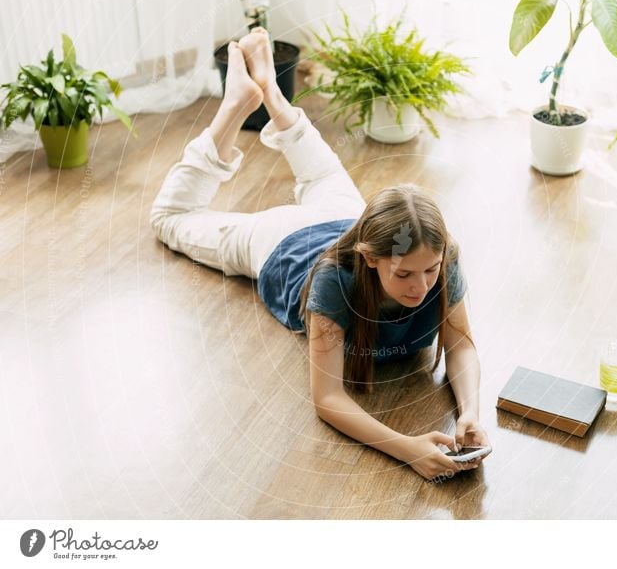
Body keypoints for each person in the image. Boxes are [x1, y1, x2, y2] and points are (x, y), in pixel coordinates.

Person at [150, 28, 490, 481]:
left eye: (430, 270)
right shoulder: (335, 282)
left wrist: (470, 412)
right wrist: (406, 448)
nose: (422, 285)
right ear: (371, 259)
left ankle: (269, 88)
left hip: (345, 216)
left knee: (321, 171)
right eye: (405, 274)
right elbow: (328, 399)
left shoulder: (436, 258)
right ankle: (235, 106)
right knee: (170, 217)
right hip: (280, 241)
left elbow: (460, 343)